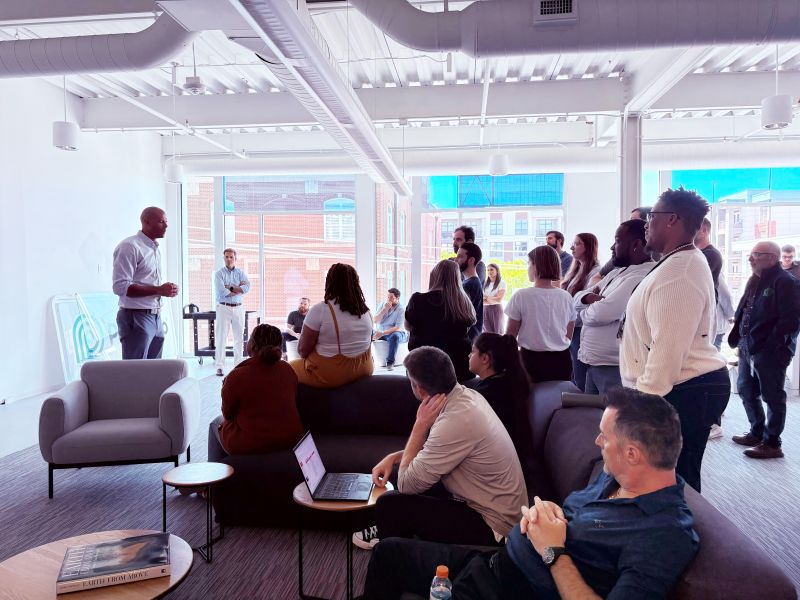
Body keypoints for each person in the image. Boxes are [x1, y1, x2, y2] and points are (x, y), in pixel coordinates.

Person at [363, 388, 699, 600]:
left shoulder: (664, 534)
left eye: (604, 438)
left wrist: (553, 551)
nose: (597, 443)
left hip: (512, 589)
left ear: (632, 454)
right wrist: (552, 513)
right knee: (388, 554)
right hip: (497, 564)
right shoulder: (615, 478)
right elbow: (574, 518)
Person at [354, 346, 527, 550]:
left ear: (419, 389)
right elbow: (434, 452)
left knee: (392, 503)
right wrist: (393, 458)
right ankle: (397, 533)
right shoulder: (466, 396)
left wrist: (420, 425)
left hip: (494, 528)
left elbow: (407, 484)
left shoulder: (455, 420)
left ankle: (395, 550)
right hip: (494, 508)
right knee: (409, 474)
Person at [619, 187, 729, 493]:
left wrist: (638, 408)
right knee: (671, 480)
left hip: (686, 388)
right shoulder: (675, 262)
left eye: (651, 216)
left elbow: (667, 353)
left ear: (672, 220)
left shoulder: (680, 271)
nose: (646, 223)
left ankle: (681, 538)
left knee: (674, 483)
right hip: (682, 387)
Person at [728, 241, 800, 459]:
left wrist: (771, 345)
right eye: (751, 254)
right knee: (746, 389)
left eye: (756, 255)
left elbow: (791, 320)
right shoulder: (755, 279)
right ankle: (756, 432)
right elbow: (745, 309)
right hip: (747, 346)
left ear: (771, 257)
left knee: (772, 395)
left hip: (770, 351)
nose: (750, 259)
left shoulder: (787, 282)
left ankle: (772, 443)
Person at [574, 220, 653, 394]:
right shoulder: (617, 272)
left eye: (617, 241)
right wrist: (587, 297)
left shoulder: (642, 275)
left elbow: (601, 314)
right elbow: (576, 299)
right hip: (594, 364)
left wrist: (586, 310)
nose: (611, 247)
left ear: (636, 244)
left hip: (614, 368)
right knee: (592, 418)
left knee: (613, 420)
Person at [214, 324, 303, 455]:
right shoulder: (288, 369)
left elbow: (228, 415)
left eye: (250, 338)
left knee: (216, 424)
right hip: (291, 439)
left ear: (253, 346)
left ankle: (222, 473)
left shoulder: (236, 376)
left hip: (253, 444)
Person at [290, 263, 373, 388]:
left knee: (287, 368)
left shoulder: (320, 310)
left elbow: (302, 350)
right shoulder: (366, 311)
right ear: (356, 283)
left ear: (329, 282)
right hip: (364, 369)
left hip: (332, 374)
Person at [112, 207, 178, 360]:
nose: (166, 226)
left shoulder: (153, 249)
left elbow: (148, 283)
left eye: (166, 222)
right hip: (136, 317)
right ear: (147, 222)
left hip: (155, 316)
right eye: (162, 222)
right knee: (135, 373)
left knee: (153, 373)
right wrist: (159, 290)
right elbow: (120, 286)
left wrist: (167, 290)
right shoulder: (130, 246)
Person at [506, 246, 576, 383]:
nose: (527, 268)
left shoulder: (521, 295)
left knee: (530, 403)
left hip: (530, 361)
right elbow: (568, 334)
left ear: (536, 266)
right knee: (558, 402)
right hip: (562, 360)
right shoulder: (566, 296)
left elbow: (510, 336)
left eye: (528, 263)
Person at [468, 333, 534, 469]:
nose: (469, 355)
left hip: (496, 468)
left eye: (473, 351)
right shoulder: (506, 383)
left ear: (485, 358)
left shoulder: (486, 393)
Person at [405, 260, 476, 382]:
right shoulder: (464, 303)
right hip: (458, 369)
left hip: (423, 368)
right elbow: (467, 330)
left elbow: (408, 326)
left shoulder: (417, 300)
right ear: (456, 278)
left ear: (434, 276)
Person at [562, 233, 601, 389]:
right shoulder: (576, 269)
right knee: (573, 373)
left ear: (588, 247)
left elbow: (586, 303)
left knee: (580, 376)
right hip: (571, 327)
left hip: (580, 328)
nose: (572, 247)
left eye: (577, 244)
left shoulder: (596, 272)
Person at [213, 248, 251, 376]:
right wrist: (237, 288)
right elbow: (221, 291)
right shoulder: (219, 274)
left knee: (239, 337)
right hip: (223, 307)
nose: (228, 259)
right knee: (221, 337)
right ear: (224, 258)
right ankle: (219, 366)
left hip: (239, 307)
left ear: (235, 258)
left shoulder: (241, 273)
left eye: (231, 257)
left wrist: (229, 287)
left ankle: (238, 364)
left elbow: (247, 287)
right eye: (226, 257)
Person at [595, 206, 653, 281]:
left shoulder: (642, 273)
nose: (630, 223)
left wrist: (601, 290)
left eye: (634, 220)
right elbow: (596, 277)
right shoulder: (620, 259)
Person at [373, 288, 407, 371]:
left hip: (396, 332)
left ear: (397, 298)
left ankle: (390, 362)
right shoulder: (382, 305)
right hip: (381, 332)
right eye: (387, 297)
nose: (388, 299)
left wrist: (382, 333)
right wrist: (384, 310)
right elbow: (375, 320)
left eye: (391, 297)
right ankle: (367, 360)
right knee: (368, 333)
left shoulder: (401, 310)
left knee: (395, 336)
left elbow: (398, 327)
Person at [456, 242, 484, 343]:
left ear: (471, 260)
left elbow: (460, 317)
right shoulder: (469, 282)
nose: (456, 260)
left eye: (460, 257)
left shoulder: (470, 285)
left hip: (467, 341)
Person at [694, 217, 723, 300]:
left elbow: (694, 276)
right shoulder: (698, 254)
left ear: (703, 231)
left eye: (693, 228)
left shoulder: (712, 254)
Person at [482, 263, 507, 334]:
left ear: (497, 271)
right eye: (488, 270)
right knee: (487, 333)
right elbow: (482, 300)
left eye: (492, 270)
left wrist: (486, 298)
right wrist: (492, 298)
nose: (489, 272)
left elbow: (499, 299)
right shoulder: (485, 283)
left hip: (496, 309)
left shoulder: (502, 283)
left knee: (498, 333)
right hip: (485, 309)